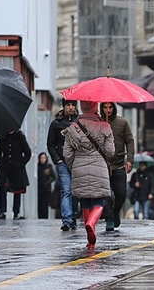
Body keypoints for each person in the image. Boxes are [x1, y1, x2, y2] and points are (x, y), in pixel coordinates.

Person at [63, 100, 115, 249]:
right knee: (99, 200)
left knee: (84, 200)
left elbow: (67, 153)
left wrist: (75, 166)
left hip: (79, 166)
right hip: (99, 166)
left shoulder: (73, 127)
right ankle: (91, 223)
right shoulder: (105, 126)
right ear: (96, 107)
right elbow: (110, 152)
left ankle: (89, 240)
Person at [100, 102, 135, 231]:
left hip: (119, 163)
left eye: (110, 107)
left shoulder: (122, 122)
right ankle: (109, 218)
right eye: (104, 107)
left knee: (121, 193)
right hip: (102, 164)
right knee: (106, 194)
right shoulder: (98, 123)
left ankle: (115, 211)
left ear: (114, 108)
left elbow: (129, 141)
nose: (107, 110)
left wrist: (130, 159)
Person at [47, 97, 80, 231]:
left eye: (73, 105)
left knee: (75, 192)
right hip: (62, 162)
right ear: (64, 107)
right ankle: (66, 220)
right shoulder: (56, 123)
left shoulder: (80, 122)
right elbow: (50, 144)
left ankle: (73, 218)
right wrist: (57, 159)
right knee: (66, 190)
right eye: (68, 105)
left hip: (78, 162)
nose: (71, 107)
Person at [0, 130, 31, 219]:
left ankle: (16, 212)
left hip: (17, 168)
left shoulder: (20, 137)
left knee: (17, 190)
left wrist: (21, 163)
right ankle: (2, 211)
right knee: (3, 188)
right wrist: (0, 162)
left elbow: (27, 153)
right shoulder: (2, 138)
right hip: (5, 168)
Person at [37, 152, 56, 219]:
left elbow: (53, 177)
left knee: (45, 205)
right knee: (40, 204)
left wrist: (47, 183)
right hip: (39, 189)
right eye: (41, 158)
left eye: (44, 158)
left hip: (46, 189)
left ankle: (45, 217)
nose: (42, 159)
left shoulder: (48, 166)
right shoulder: (38, 167)